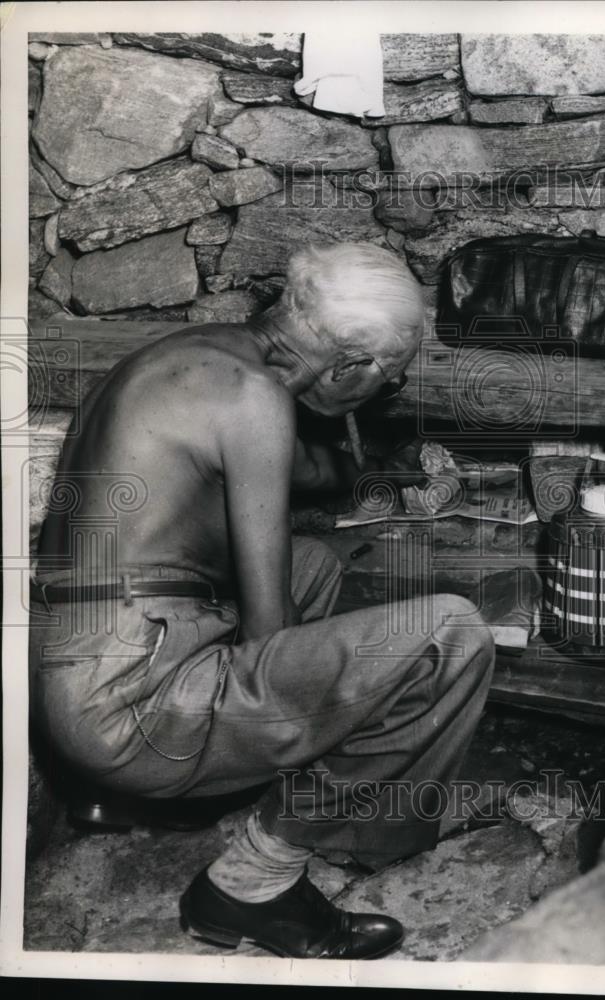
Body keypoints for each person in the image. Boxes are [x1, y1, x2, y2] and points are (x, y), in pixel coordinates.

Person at [29, 242, 495, 960]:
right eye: (384, 382)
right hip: (126, 706)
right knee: (451, 636)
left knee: (311, 563)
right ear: (347, 368)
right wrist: (338, 702)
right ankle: (253, 881)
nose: (380, 395)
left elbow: (286, 473)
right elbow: (269, 633)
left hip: (83, 659)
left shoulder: (200, 354)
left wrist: (352, 463)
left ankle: (140, 797)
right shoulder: (255, 399)